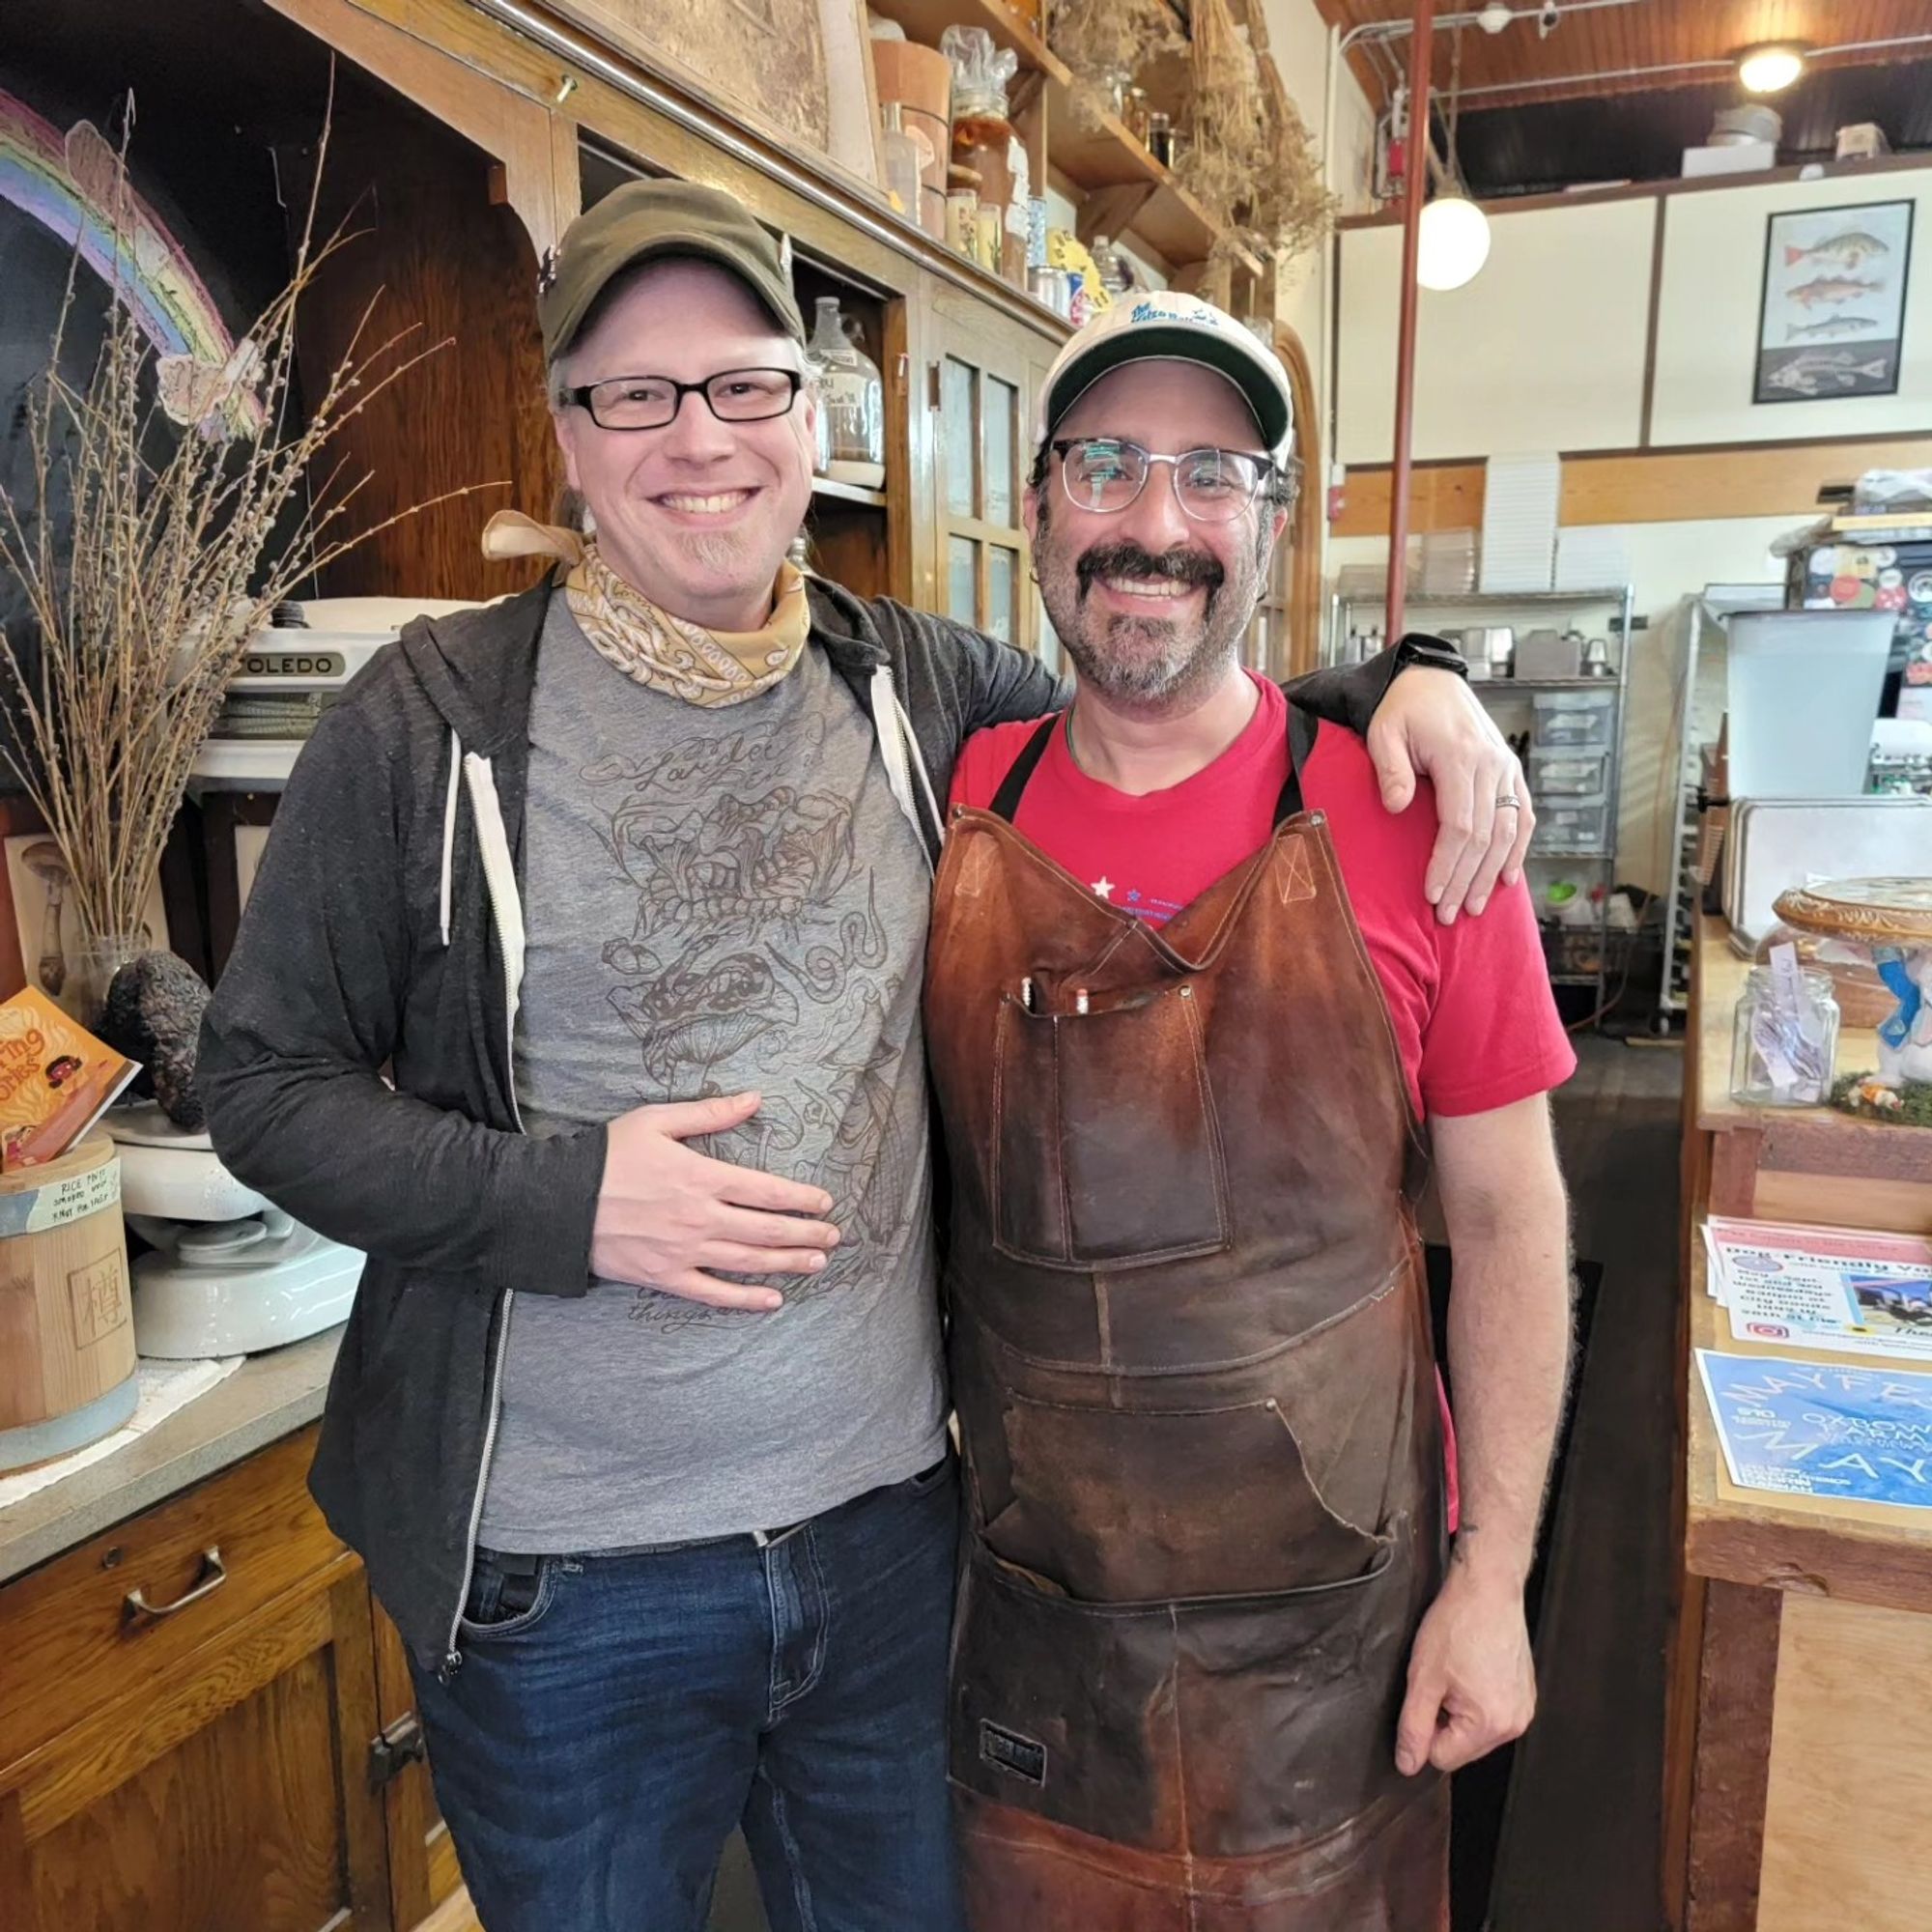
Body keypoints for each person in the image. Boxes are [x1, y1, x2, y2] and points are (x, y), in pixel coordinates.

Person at [197, 181, 1535, 1932]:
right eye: (637, 394)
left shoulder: (913, 692)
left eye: (746, 385)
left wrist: (1406, 684)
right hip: (562, 1589)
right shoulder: (433, 721)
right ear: (571, 439)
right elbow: (260, 1087)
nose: (699, 439)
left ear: (812, 425)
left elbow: (1151, 664)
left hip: (897, 1551)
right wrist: (566, 1200)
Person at [927, 291, 1577, 1930]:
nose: (1158, 523)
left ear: (1274, 530)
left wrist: (1495, 1577)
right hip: (1029, 1627)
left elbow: (1510, 1229)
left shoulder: (1418, 816)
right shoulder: (946, 794)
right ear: (1034, 509)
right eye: (1108, 465)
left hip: (1334, 1653)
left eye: (1214, 475)